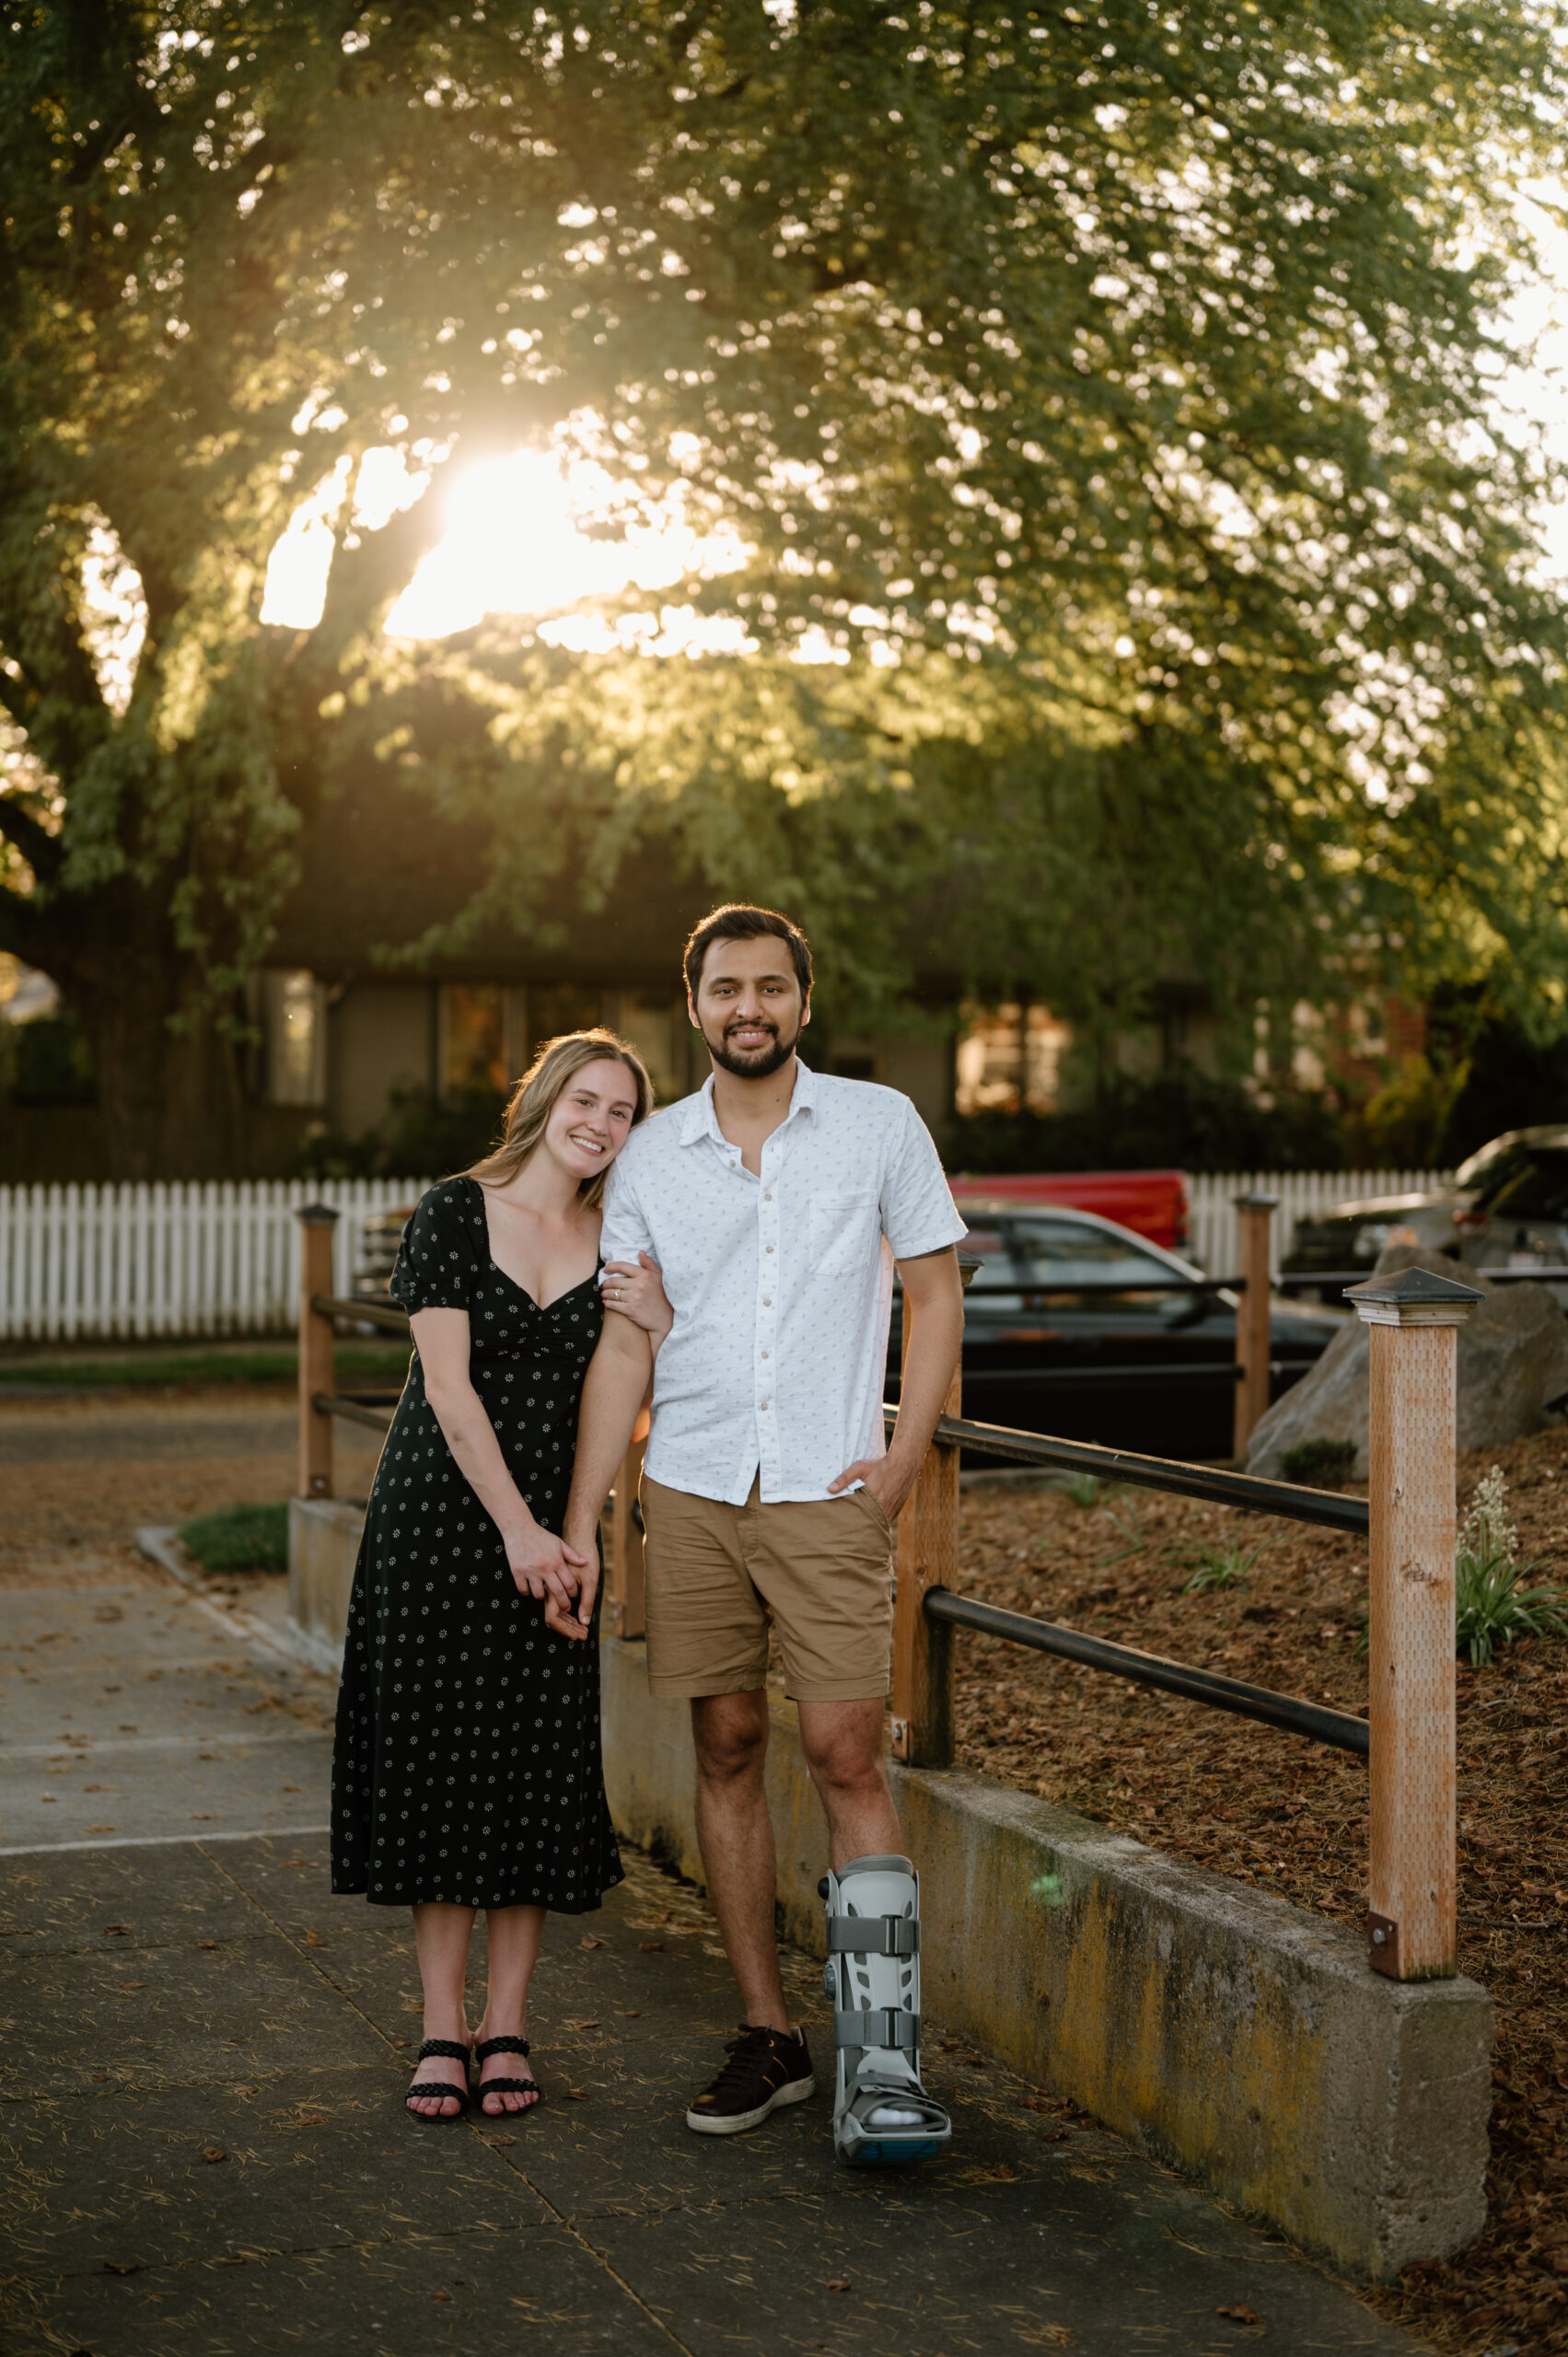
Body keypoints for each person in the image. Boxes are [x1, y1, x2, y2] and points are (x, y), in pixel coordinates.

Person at [556, 905, 968, 2165]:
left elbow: (935, 1285)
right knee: (725, 1742)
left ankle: (884, 2062)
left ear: (802, 1001)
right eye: (726, 988)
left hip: (826, 1489)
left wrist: (902, 1455)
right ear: (694, 1006)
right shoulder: (648, 1156)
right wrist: (586, 1510)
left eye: (771, 988)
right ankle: (766, 2034)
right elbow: (627, 1334)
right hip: (687, 1485)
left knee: (845, 1752)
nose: (750, 1007)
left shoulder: (877, 1125)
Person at [331, 1030, 672, 2123]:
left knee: (531, 1770)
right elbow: (447, 1389)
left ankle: (508, 2024)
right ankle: (441, 2025)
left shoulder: (619, 1236)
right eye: (587, 1098)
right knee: (439, 1769)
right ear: (545, 1098)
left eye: (622, 1111)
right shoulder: (453, 1212)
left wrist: (575, 1531)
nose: (601, 1123)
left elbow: (615, 1392)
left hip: (556, 1524)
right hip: (442, 1517)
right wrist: (517, 1530)